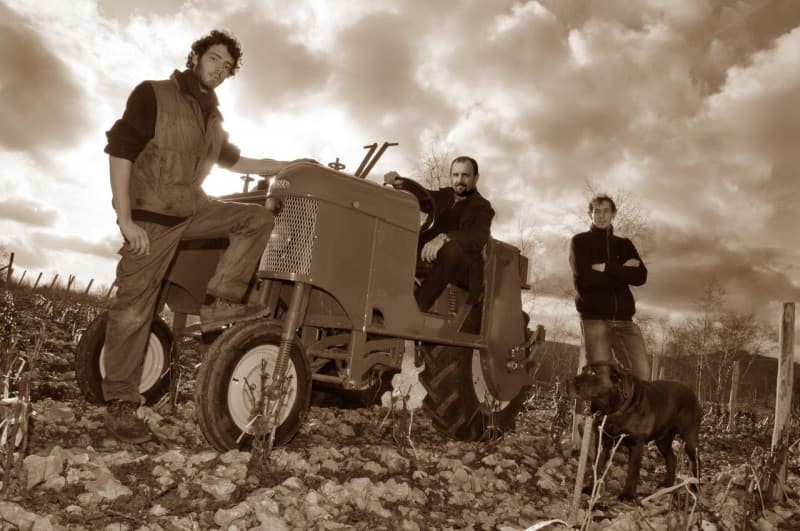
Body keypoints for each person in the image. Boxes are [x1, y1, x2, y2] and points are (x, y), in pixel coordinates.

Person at [102, 29, 313, 443]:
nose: (220, 69)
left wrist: (293, 166)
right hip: (152, 216)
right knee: (134, 309)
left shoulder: (212, 118)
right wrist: (126, 219)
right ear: (196, 56)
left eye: (228, 67)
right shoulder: (154, 94)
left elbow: (238, 161)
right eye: (215, 58)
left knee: (256, 220)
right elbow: (120, 149)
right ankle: (121, 405)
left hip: (192, 207)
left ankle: (219, 302)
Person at [384, 156, 494, 313]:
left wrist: (444, 238)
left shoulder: (483, 207)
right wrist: (401, 183)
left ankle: (415, 309)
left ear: (475, 178)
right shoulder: (445, 196)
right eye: (455, 175)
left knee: (452, 249)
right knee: (400, 236)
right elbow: (423, 197)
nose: (459, 180)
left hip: (463, 266)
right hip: (433, 256)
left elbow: (477, 237)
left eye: (465, 175)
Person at [569, 194, 651, 380]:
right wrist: (623, 273)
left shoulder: (624, 244)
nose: (601, 216)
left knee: (642, 375)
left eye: (606, 211)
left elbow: (641, 276)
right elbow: (586, 279)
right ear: (590, 214)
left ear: (613, 214)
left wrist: (607, 268)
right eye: (597, 211)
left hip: (624, 320)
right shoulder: (580, 242)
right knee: (601, 379)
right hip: (595, 319)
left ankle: (626, 401)